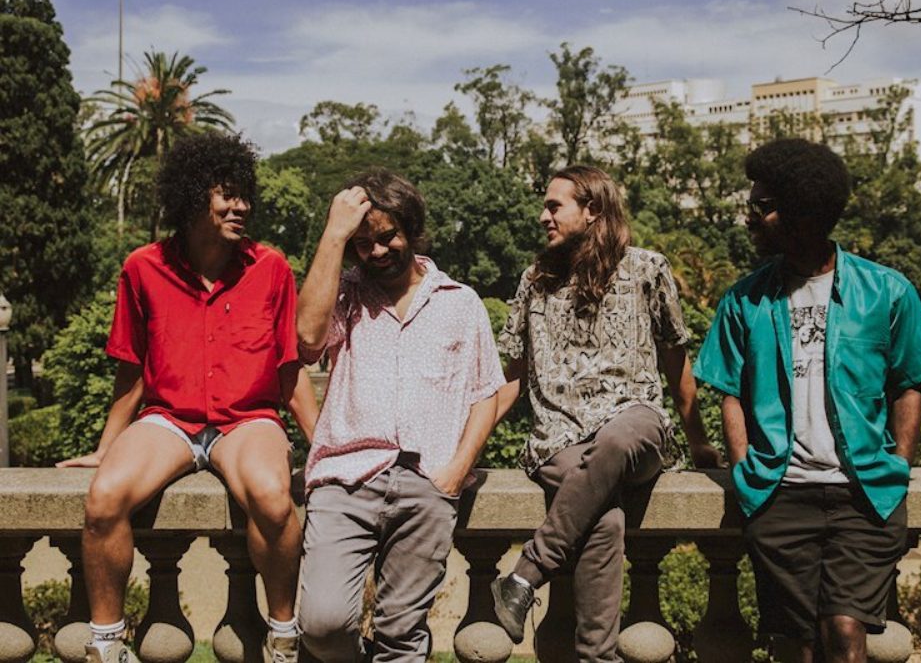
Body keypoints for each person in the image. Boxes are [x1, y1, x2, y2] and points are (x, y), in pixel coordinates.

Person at [57, 132, 318, 663]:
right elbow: (132, 369)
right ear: (193, 194)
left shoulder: (270, 268)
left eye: (245, 195)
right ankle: (106, 644)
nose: (241, 206)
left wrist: (326, 446)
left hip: (247, 420)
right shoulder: (142, 268)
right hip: (169, 420)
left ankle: (283, 635)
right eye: (227, 195)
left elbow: (289, 370)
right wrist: (107, 447)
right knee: (104, 499)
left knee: (273, 498)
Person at [693, 138, 921, 662]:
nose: (750, 216)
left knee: (845, 631)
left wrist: (899, 464)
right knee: (799, 644)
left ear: (802, 211)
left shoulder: (887, 291)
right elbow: (730, 392)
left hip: (862, 496)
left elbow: (908, 384)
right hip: (780, 495)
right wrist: (744, 468)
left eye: (762, 206)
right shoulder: (744, 299)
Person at [490, 165, 722, 661]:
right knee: (605, 519)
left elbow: (675, 358)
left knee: (614, 441)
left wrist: (698, 439)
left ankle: (526, 573)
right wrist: (466, 447)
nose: (543, 216)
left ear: (592, 210)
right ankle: (598, 657)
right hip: (559, 437)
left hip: (636, 422)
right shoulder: (536, 280)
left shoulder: (647, 269)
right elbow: (512, 374)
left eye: (554, 206)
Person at [295, 168, 504, 662]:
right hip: (345, 480)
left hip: (426, 483)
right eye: (362, 243)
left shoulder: (460, 302)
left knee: (402, 635)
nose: (376, 251)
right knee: (322, 624)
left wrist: (454, 472)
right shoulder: (344, 294)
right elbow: (306, 340)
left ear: (411, 228)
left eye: (387, 236)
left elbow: (485, 393)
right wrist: (334, 234)